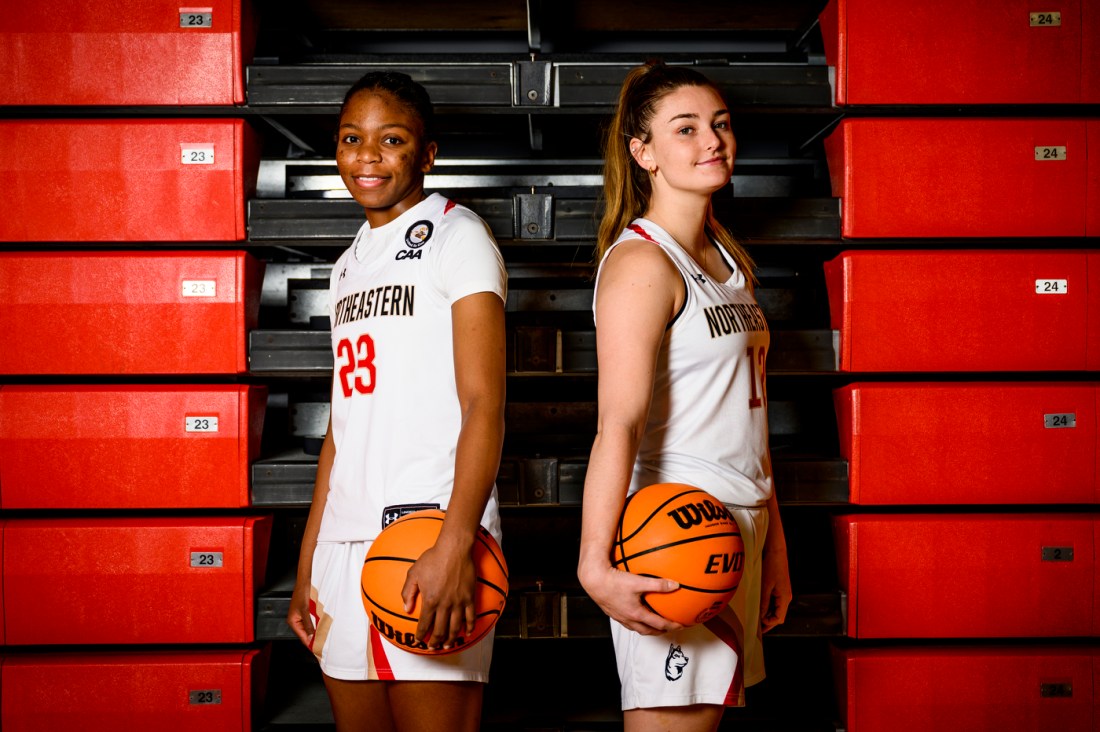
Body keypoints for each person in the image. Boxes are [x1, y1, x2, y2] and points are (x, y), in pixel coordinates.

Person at [287, 70, 508, 732]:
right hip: (343, 542)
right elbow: (340, 429)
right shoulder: (348, 262)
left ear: (428, 153)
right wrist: (307, 566)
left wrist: (456, 541)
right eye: (352, 139)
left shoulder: (457, 235)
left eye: (392, 139)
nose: (367, 157)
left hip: (429, 534)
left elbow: (484, 405)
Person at [577, 62, 792, 731]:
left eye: (721, 124)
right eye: (687, 128)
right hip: (677, 536)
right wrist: (594, 567)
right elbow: (618, 423)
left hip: (741, 525)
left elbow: (744, 415)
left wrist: (774, 542)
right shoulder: (644, 264)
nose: (713, 140)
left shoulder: (727, 258)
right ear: (643, 153)